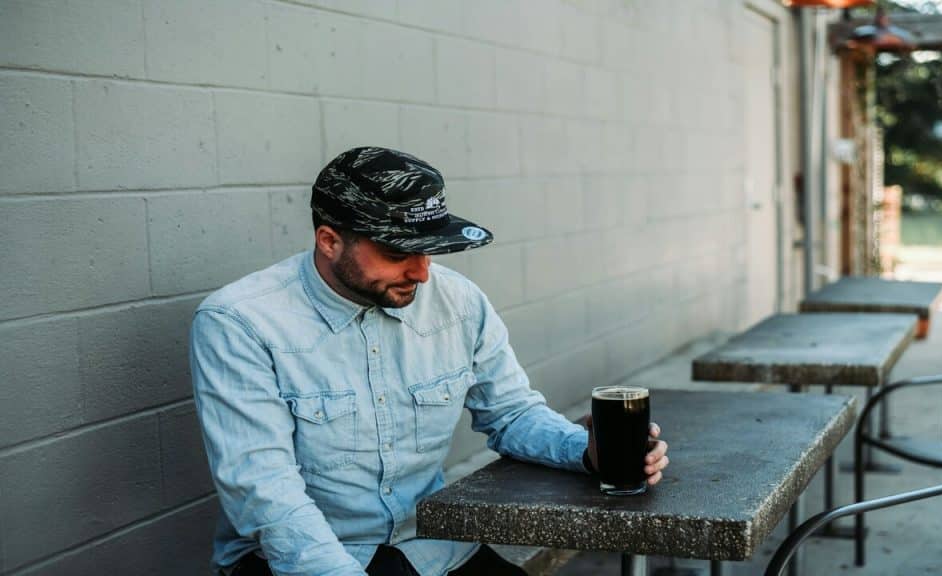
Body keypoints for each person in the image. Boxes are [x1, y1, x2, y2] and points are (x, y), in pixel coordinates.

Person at [190, 147, 669, 576]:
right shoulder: (239, 323)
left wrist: (586, 452)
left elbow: (511, 413)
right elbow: (267, 495)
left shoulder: (459, 302)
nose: (421, 272)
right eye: (398, 251)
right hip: (299, 559)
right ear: (329, 241)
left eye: (429, 249)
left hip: (433, 549)